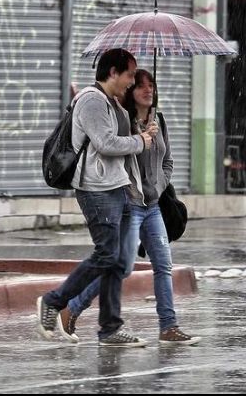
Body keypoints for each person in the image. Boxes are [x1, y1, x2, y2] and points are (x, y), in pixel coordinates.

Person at [57, 69, 200, 346]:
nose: (148, 91)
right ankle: (72, 307)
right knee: (120, 267)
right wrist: (140, 139)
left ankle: (168, 327)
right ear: (131, 91)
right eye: (141, 86)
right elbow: (115, 155)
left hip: (154, 205)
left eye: (152, 86)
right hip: (130, 204)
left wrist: (158, 184)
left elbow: (167, 160)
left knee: (163, 265)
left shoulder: (158, 119)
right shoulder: (123, 120)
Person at [36, 48, 157, 348]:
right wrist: (139, 141)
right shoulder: (91, 100)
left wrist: (142, 131)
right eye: (130, 74)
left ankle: (110, 329)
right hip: (96, 190)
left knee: (116, 262)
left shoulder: (110, 101)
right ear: (113, 72)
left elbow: (116, 139)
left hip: (118, 187)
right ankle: (53, 301)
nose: (132, 81)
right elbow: (105, 143)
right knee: (106, 255)